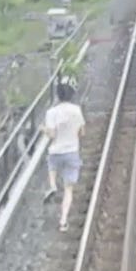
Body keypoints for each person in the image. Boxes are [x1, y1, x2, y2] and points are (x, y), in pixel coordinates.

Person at [40, 76, 85, 232]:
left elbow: (51, 135)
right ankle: (63, 221)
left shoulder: (51, 112)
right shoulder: (77, 110)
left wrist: (43, 129)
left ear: (58, 94)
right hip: (72, 151)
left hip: (56, 152)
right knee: (68, 189)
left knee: (51, 167)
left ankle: (52, 185)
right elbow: (82, 132)